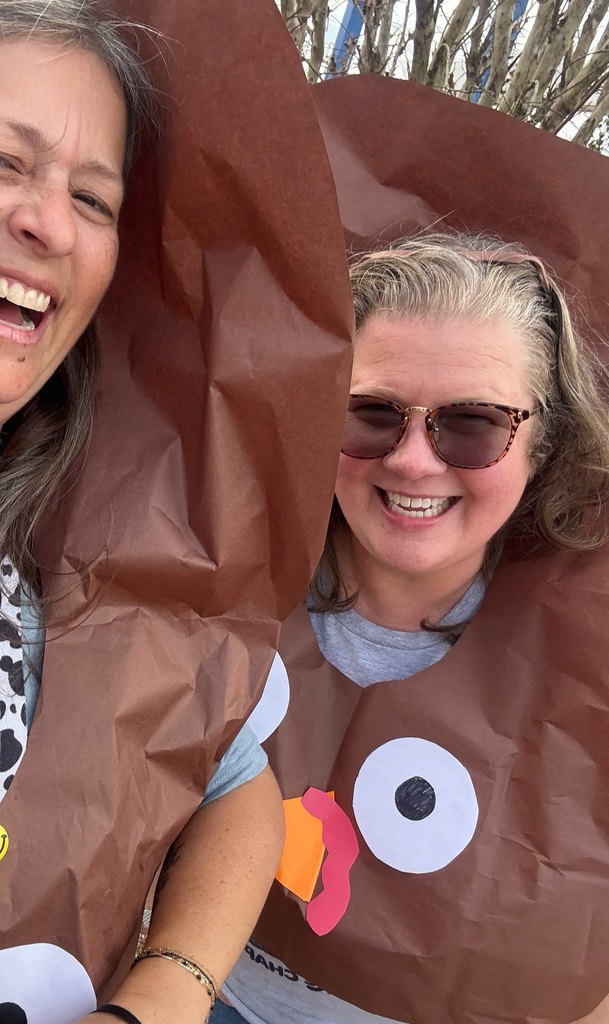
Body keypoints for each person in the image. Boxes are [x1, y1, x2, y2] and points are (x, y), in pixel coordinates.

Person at [0, 1, 285, 1022]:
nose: (47, 222)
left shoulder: (124, 520)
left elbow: (237, 784)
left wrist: (158, 1001)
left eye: (94, 198)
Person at [214, 233, 609, 1024]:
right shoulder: (222, 571)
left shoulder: (584, 654)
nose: (415, 461)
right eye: (371, 414)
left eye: (472, 425)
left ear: (544, 444)